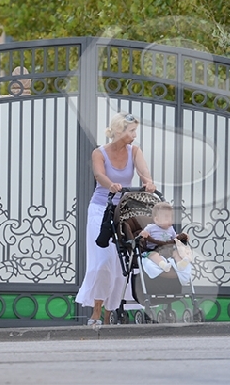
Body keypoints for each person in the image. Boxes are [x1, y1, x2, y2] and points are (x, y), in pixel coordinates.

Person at [75, 112, 156, 326]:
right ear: (119, 132)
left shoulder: (134, 151)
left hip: (123, 211)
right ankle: (96, 310)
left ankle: (111, 312)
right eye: (131, 131)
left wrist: (149, 182)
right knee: (102, 262)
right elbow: (99, 175)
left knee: (121, 265)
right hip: (101, 209)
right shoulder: (99, 153)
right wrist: (109, 183)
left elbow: (143, 171)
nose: (134, 135)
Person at [139, 202, 192, 272]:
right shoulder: (151, 227)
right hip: (154, 249)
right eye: (166, 217)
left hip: (168, 250)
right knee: (153, 255)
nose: (170, 220)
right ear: (157, 220)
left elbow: (175, 238)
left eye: (171, 217)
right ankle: (163, 265)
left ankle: (180, 264)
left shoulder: (171, 229)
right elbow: (141, 235)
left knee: (176, 252)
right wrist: (143, 234)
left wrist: (182, 236)